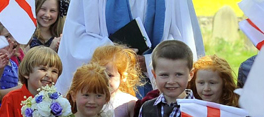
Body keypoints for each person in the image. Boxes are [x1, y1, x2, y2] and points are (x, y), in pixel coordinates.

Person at [55, 0, 204, 95]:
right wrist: (116, 56)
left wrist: (149, 62)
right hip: (107, 87)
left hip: (155, 87)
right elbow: (77, 37)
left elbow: (181, 35)